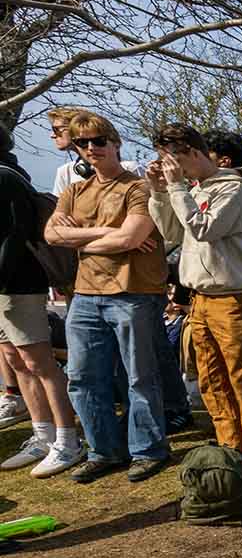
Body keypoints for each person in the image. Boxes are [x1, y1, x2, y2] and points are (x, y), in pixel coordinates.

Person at [42, 111, 173, 484]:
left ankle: (148, 451)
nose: (90, 149)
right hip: (84, 294)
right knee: (83, 378)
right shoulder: (74, 190)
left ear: (114, 142)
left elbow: (131, 238)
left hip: (134, 293)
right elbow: (51, 235)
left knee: (139, 378)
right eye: (82, 143)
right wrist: (107, 233)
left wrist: (81, 234)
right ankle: (105, 451)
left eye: (98, 141)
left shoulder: (138, 188)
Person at [146, 125, 242, 474]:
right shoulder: (193, 189)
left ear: (194, 152)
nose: (171, 167)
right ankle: (232, 447)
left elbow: (203, 228)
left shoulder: (234, 189)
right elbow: (172, 232)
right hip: (200, 299)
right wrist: (160, 191)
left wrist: (177, 187)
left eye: (174, 159)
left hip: (235, 298)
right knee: (211, 379)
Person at [0, 134, 83, 476]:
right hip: (7, 286)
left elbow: (14, 237)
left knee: (39, 361)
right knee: (14, 358)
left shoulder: (5, 177)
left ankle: (67, 439)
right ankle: (43, 434)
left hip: (19, 283)